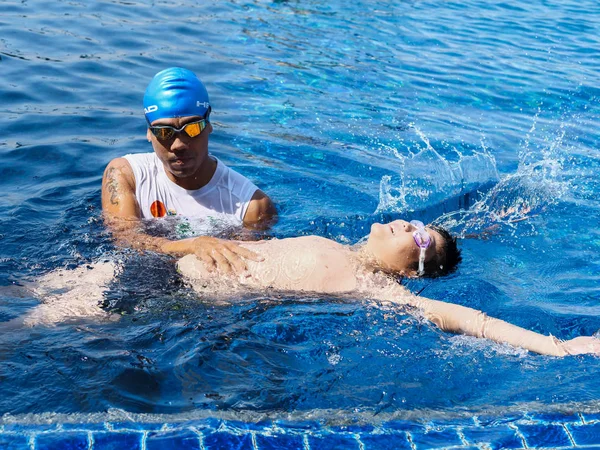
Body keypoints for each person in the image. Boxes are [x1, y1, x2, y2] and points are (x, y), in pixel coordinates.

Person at [19, 219, 600, 357]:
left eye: (419, 237)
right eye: (416, 222)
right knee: (19, 291)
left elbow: (466, 319)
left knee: (24, 329)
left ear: (408, 271)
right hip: (167, 267)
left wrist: (561, 347)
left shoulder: (375, 288)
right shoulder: (340, 245)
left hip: (165, 295)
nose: (408, 225)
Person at [102, 67, 277, 275]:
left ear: (209, 124)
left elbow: (241, 270)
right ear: (149, 133)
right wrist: (193, 245)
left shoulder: (252, 206)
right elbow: (125, 239)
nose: (178, 144)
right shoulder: (126, 174)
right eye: (164, 132)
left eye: (191, 128)